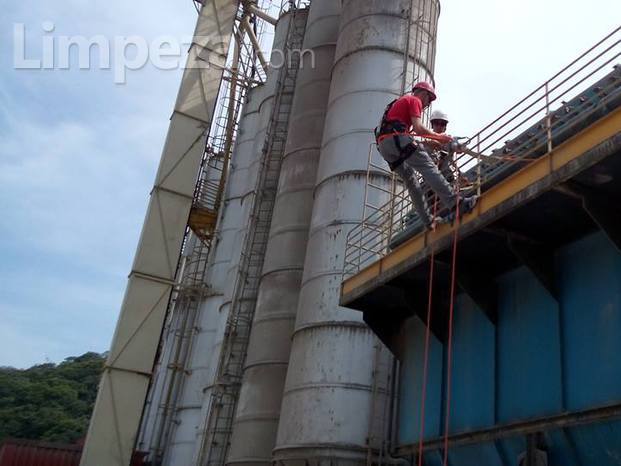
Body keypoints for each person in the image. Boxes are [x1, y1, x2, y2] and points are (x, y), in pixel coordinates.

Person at [375, 82, 478, 229]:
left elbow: (407, 133)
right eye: (429, 100)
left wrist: (431, 141)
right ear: (423, 93)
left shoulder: (397, 105)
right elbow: (418, 129)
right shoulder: (414, 100)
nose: (427, 105)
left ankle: (428, 221)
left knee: (411, 181)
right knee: (428, 167)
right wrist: (439, 137)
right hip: (396, 138)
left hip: (385, 146)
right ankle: (457, 204)